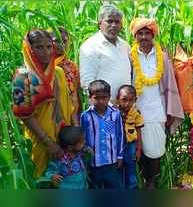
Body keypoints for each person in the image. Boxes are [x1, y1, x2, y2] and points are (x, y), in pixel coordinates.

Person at [129, 17, 184, 190]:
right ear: (135, 36)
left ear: (153, 35)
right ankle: (140, 182)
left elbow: (169, 83)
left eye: (147, 33)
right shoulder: (129, 55)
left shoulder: (163, 56)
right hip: (134, 110)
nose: (144, 37)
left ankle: (151, 181)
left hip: (156, 110)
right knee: (135, 150)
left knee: (155, 150)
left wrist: (169, 111)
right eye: (140, 33)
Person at [12, 29, 75, 177]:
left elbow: (66, 104)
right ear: (29, 49)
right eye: (39, 47)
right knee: (43, 180)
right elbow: (25, 116)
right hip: (40, 141)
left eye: (48, 46)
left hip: (63, 138)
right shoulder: (22, 76)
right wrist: (48, 143)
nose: (46, 52)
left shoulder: (58, 72)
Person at [79, 4, 132, 101]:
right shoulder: (90, 46)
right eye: (109, 21)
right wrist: (103, 106)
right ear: (100, 23)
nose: (113, 25)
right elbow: (87, 83)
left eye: (117, 22)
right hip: (103, 109)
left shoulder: (125, 46)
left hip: (125, 107)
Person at [80, 80, 124, 189]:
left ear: (109, 97)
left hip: (111, 161)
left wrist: (120, 156)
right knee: (95, 187)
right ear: (90, 98)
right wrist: (84, 154)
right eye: (96, 98)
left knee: (114, 187)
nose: (100, 101)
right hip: (94, 162)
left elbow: (120, 135)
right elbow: (82, 136)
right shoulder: (85, 116)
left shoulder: (115, 114)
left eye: (104, 97)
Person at [115, 85, 144, 190]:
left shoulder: (136, 113)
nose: (127, 103)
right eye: (124, 100)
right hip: (117, 146)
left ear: (135, 100)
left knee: (131, 169)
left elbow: (139, 130)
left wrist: (138, 149)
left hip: (131, 145)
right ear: (118, 99)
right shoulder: (114, 113)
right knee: (118, 169)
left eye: (131, 100)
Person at [50, 27, 82, 117]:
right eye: (57, 41)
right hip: (52, 114)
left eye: (65, 41)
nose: (62, 45)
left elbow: (77, 91)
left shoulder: (72, 66)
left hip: (72, 115)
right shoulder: (43, 66)